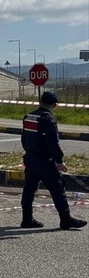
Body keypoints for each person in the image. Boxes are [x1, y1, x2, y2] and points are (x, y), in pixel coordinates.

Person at [19, 91, 86, 230]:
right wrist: (59, 161)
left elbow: (24, 139)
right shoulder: (48, 119)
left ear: (40, 101)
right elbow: (53, 143)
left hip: (30, 159)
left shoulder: (29, 116)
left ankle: (27, 219)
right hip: (45, 161)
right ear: (54, 105)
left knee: (29, 189)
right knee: (58, 187)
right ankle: (66, 219)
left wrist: (30, 153)